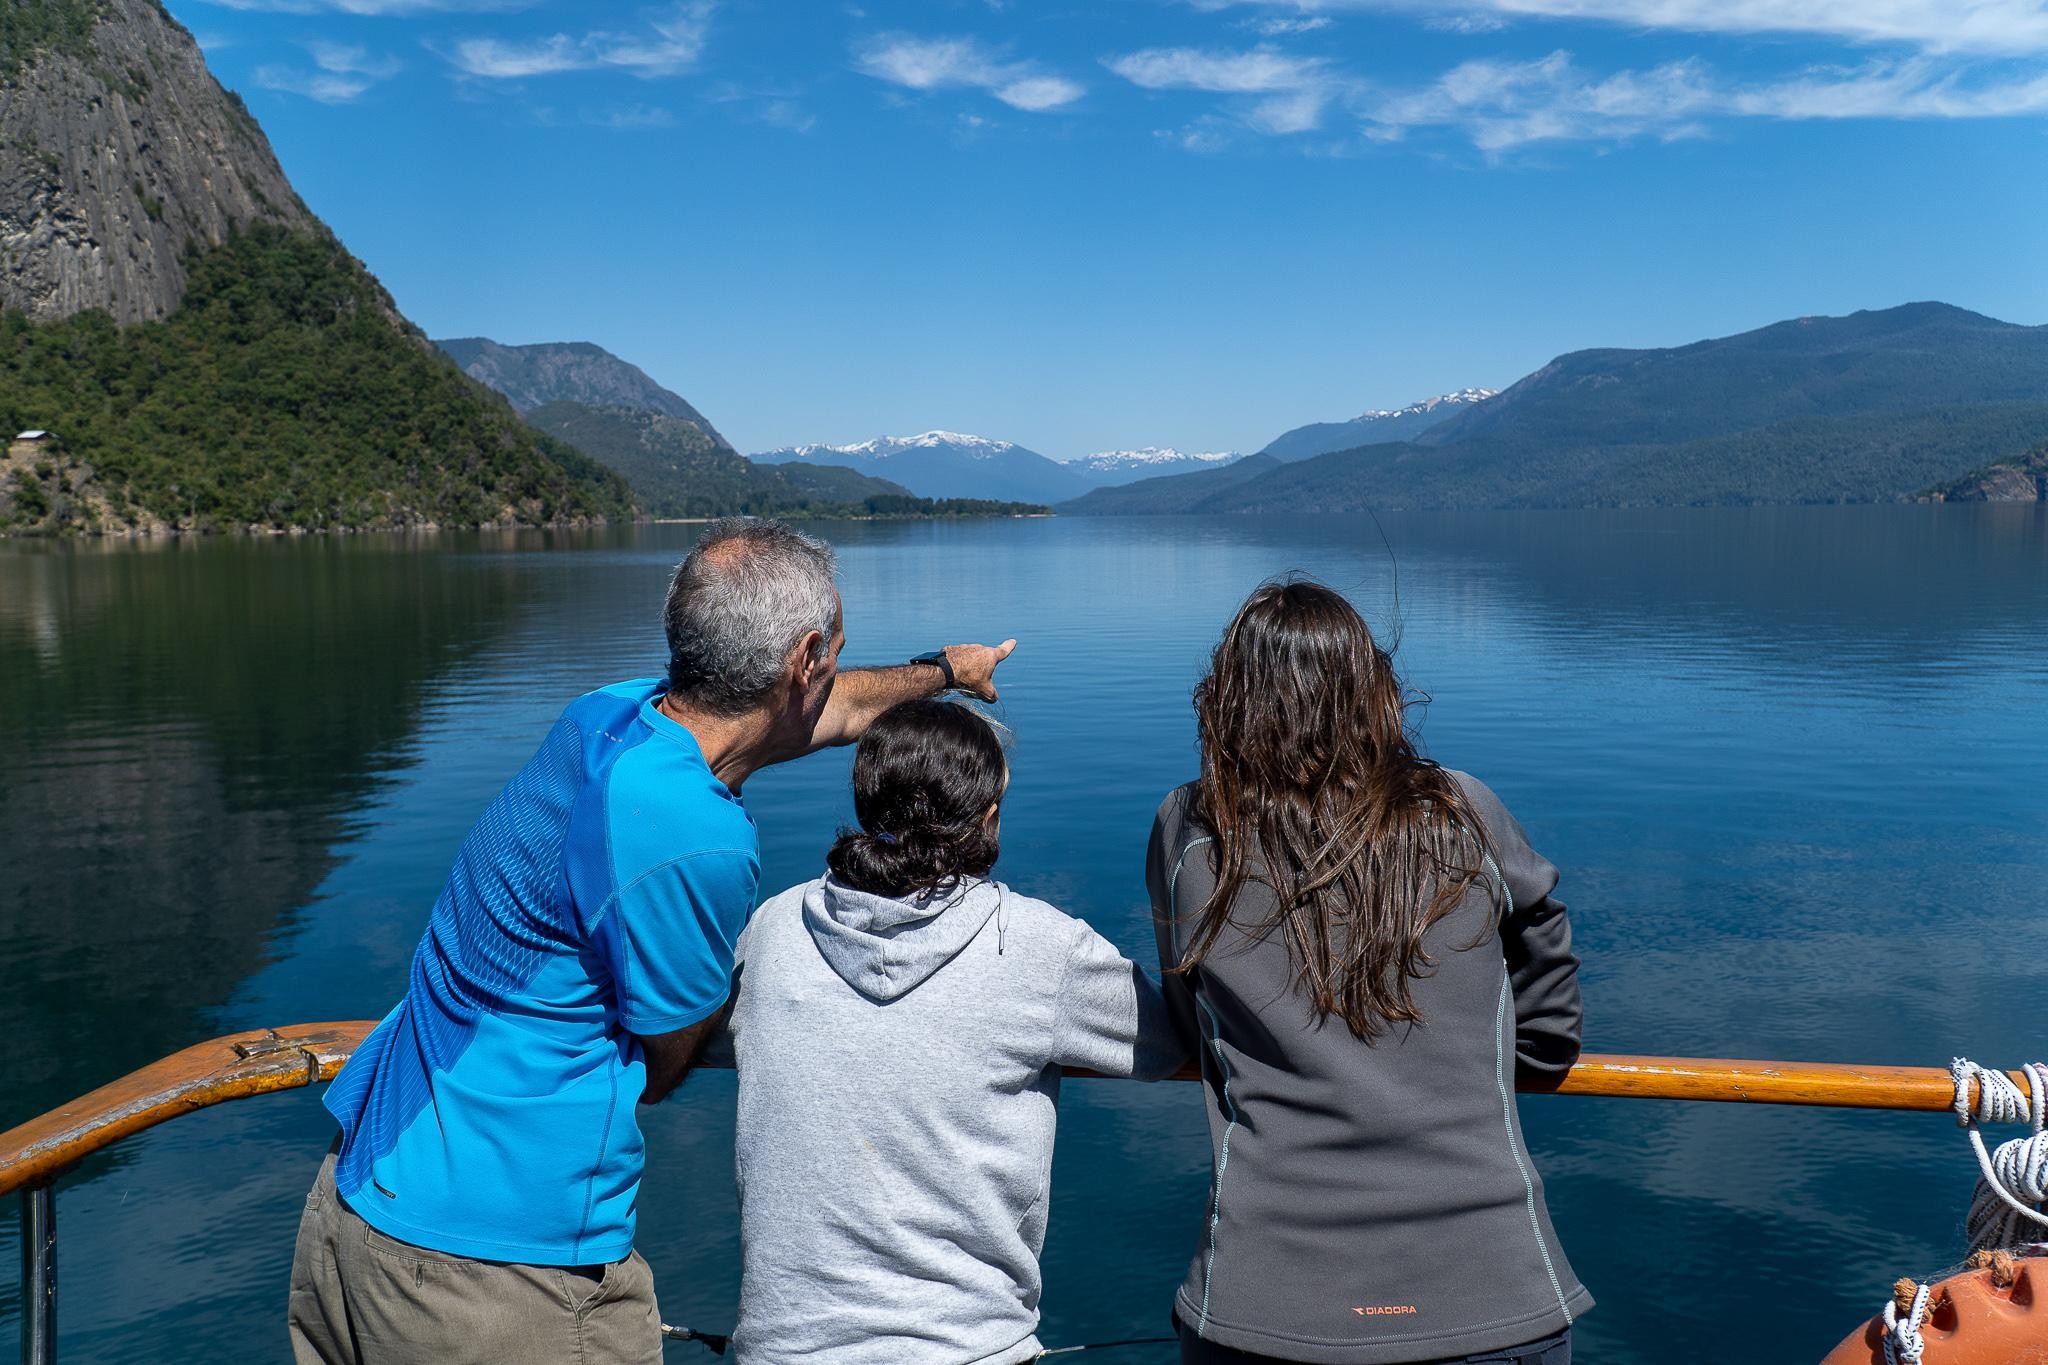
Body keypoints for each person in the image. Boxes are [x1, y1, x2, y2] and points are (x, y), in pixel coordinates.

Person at [287, 518, 1017, 1365]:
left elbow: (820, 711)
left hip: (358, 1200)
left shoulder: (607, 718)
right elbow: (670, 1059)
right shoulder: (694, 838)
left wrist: (944, 673)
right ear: (804, 658)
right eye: (835, 650)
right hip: (491, 1275)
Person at [1149, 579, 1590, 1365]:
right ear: (1374, 693)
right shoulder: (1463, 810)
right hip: (1494, 1293)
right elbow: (1542, 937)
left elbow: (1192, 1016)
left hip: (1264, 1307)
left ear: (1225, 700)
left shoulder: (1190, 829)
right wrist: (1526, 1053)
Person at [720, 698, 1187, 1364]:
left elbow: (711, 1031)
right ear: (988, 816)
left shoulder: (773, 929)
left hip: (783, 1347)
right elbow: (1172, 1041)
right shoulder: (1035, 948)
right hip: (967, 1346)